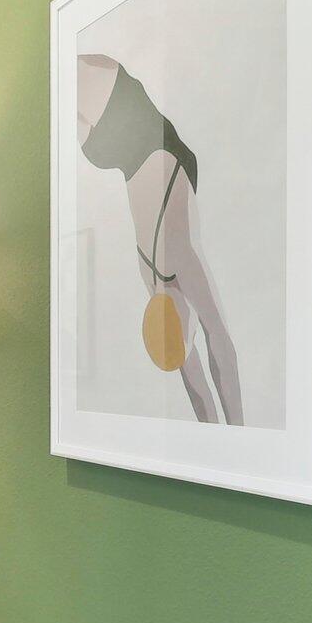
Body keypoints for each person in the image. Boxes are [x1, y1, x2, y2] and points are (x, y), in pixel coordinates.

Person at [75, 53, 243, 425]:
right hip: (125, 138)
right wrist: (233, 438)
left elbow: (207, 354)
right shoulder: (171, 267)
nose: (189, 349)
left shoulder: (160, 276)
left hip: (127, 131)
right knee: (69, 83)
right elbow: (215, 355)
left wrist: (227, 438)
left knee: (69, 84)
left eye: (187, 341)